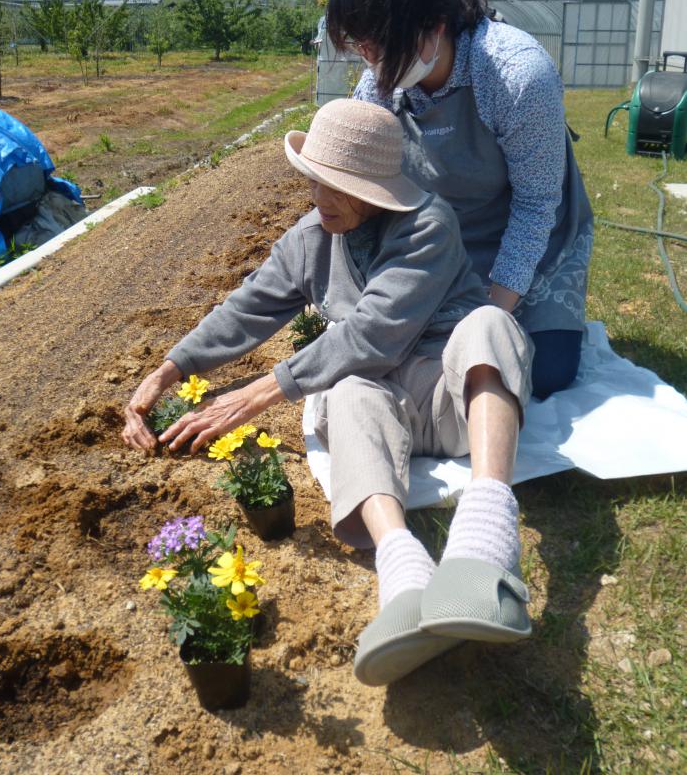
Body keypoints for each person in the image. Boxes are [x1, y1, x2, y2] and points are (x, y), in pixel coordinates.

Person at [123, 98, 534, 686]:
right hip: (384, 413)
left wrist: (263, 390)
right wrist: (170, 367)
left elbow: (374, 333)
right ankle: (405, 578)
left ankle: (483, 547)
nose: (321, 198)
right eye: (316, 181)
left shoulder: (427, 227)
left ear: (379, 189)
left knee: (490, 325)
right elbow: (248, 307)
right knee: (345, 391)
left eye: (339, 187)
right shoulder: (311, 237)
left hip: (452, 396)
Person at [325, 0, 593, 400]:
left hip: (535, 238)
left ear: (434, 24)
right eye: (360, 43)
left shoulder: (515, 74)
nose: (369, 59)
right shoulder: (381, 84)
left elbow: (536, 205)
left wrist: (491, 315)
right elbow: (360, 184)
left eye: (378, 40)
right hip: (447, 235)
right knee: (410, 347)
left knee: (540, 370)